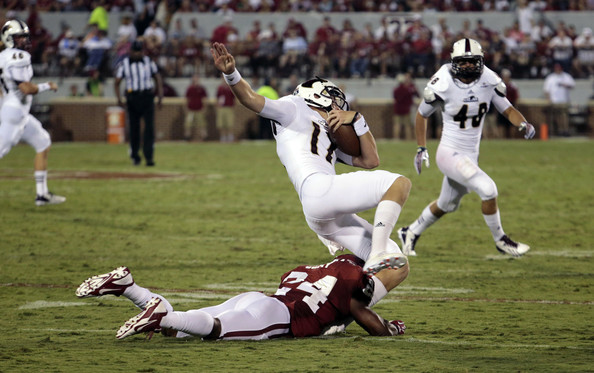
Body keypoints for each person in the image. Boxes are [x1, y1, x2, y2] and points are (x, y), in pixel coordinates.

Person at [211, 42, 411, 276]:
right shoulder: (295, 107)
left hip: (320, 211)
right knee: (398, 183)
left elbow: (371, 160)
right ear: (318, 94)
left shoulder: (327, 134)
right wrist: (231, 74)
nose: (338, 107)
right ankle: (377, 253)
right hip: (320, 190)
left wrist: (358, 119)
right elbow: (251, 99)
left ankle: (350, 304)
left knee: (396, 260)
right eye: (335, 100)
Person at [397, 38, 536, 258]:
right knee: (488, 189)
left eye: (473, 62)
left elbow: (507, 109)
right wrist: (421, 147)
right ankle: (501, 240)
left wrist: (522, 122)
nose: (468, 66)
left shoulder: (488, 80)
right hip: (450, 153)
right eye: (463, 62)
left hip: (471, 154)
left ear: (480, 61)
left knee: (447, 204)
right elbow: (422, 114)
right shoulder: (443, 81)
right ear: (453, 61)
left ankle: (410, 231)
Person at [75, 255, 407, 340]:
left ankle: (131, 288)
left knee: (177, 332)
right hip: (276, 318)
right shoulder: (350, 281)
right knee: (215, 330)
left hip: (254, 298)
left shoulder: (306, 269)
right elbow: (365, 317)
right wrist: (389, 327)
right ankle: (161, 313)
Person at [0, 19, 66, 206]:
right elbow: (27, 88)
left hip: (17, 112)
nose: (23, 41)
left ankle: (42, 194)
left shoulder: (3, 56)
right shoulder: (17, 57)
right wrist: (47, 85)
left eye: (24, 37)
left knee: (43, 142)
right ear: (9, 38)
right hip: (15, 113)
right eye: (19, 37)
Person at [114, 39, 163, 166]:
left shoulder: (148, 61)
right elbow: (117, 81)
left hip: (147, 96)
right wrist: (119, 98)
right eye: (135, 51)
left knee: (149, 129)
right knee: (134, 129)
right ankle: (135, 156)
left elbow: (157, 77)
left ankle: (149, 157)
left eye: (139, 51)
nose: (137, 54)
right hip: (132, 97)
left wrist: (160, 96)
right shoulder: (124, 63)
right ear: (131, 51)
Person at [543, 63, 575, 137]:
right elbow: (546, 90)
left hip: (564, 100)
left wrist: (565, 85)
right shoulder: (551, 78)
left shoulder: (566, 76)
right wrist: (548, 99)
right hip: (554, 101)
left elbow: (573, 85)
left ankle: (565, 130)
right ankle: (559, 130)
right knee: (556, 116)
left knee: (564, 116)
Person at [392, 72, 419, 140]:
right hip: (404, 109)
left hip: (401, 109)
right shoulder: (406, 89)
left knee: (401, 125)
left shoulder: (397, 89)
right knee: (404, 125)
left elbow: (395, 97)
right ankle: (404, 139)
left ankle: (401, 139)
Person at [184, 74, 208, 141]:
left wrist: (204, 108)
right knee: (188, 124)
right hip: (191, 110)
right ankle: (187, 137)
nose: (196, 80)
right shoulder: (189, 88)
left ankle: (204, 137)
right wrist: (186, 108)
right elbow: (187, 99)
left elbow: (204, 99)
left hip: (199, 110)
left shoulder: (201, 89)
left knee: (202, 124)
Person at [215, 77, 236, 142]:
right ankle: (223, 137)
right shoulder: (219, 88)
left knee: (229, 123)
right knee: (221, 124)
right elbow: (217, 98)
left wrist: (234, 107)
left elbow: (234, 98)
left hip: (229, 107)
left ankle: (230, 136)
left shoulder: (231, 88)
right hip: (221, 108)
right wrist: (217, 107)